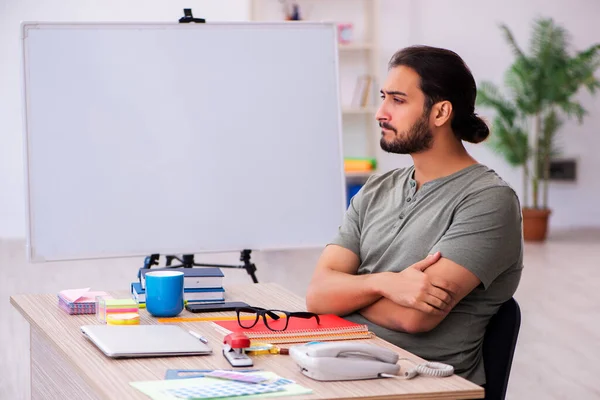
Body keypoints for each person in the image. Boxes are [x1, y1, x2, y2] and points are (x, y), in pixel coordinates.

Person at [305, 45, 523, 386]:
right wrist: (386, 283)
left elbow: (414, 316)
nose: (380, 112)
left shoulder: (489, 201)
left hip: (420, 385)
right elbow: (318, 294)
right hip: (341, 366)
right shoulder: (375, 189)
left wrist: (345, 296)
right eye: (383, 97)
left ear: (440, 113)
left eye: (398, 100)